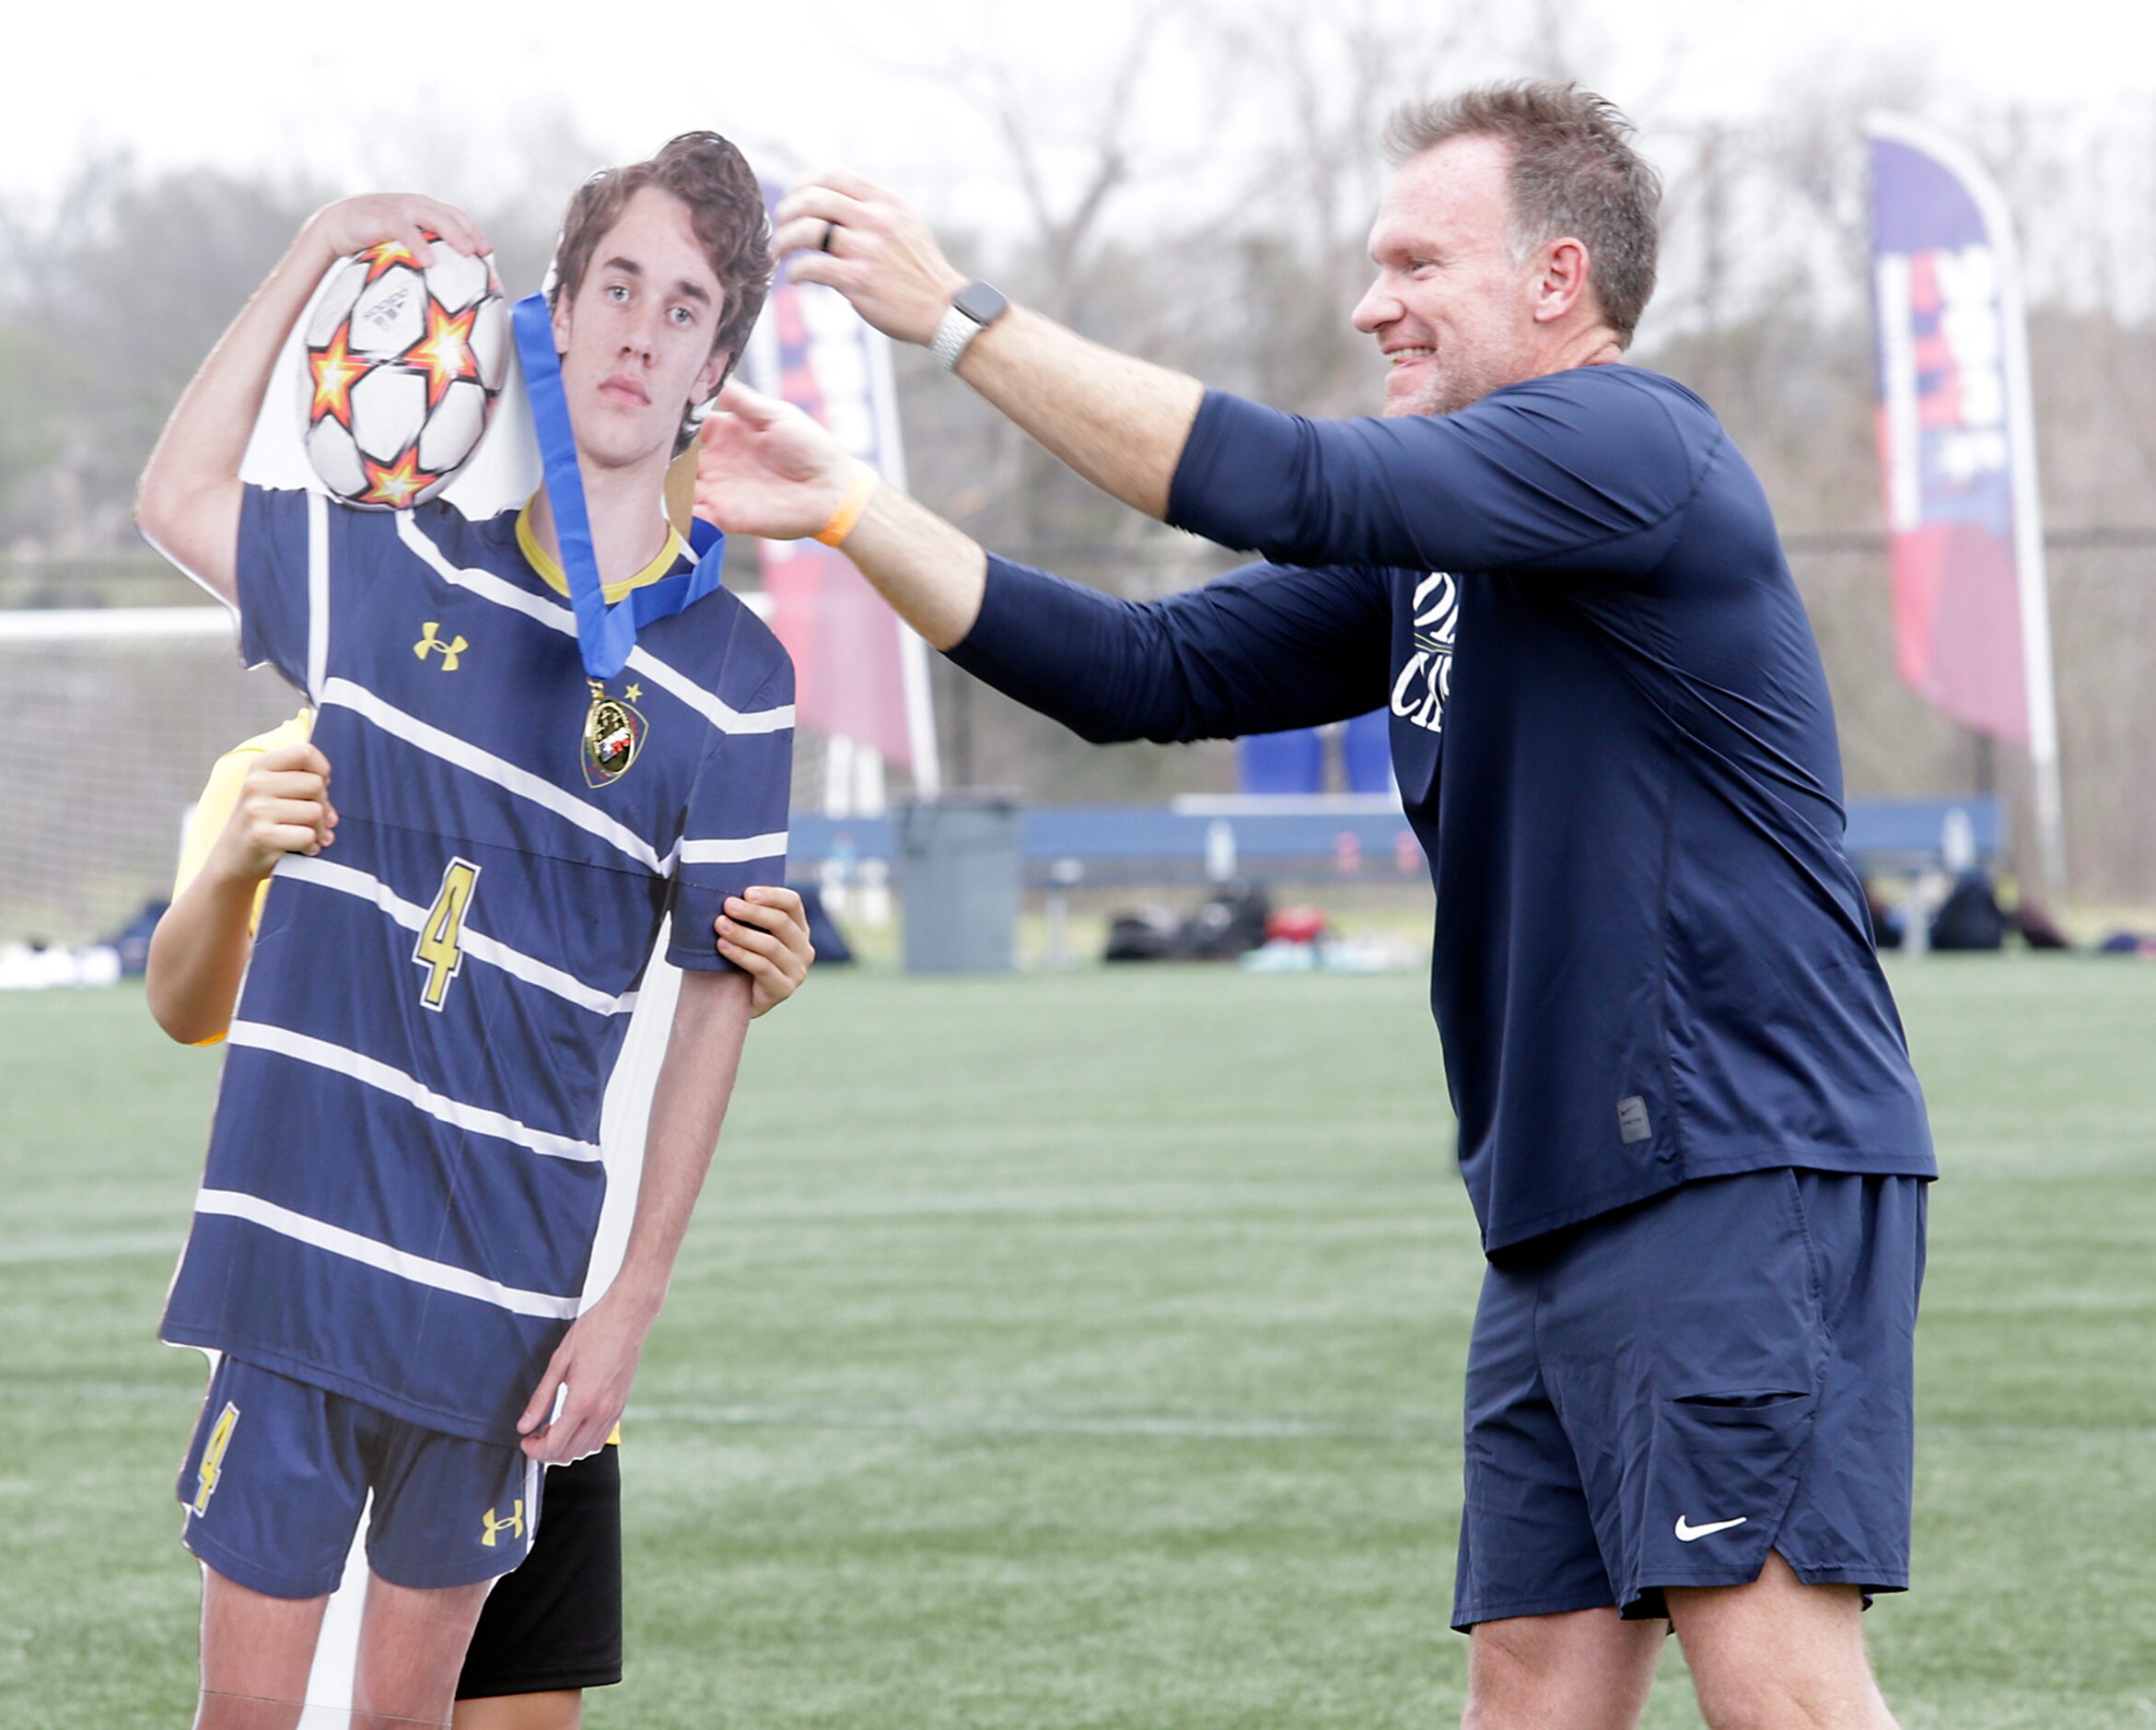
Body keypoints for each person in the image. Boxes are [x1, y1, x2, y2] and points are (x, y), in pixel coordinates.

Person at [695, 83, 1934, 1730]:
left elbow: (1277, 479)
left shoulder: (1635, 446)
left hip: (1730, 1161)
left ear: (1558, 281)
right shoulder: (1446, 541)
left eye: (1420, 261)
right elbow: (1139, 670)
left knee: (1778, 1690)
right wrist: (853, 504)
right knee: (1529, 1697)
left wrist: (964, 322)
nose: (1371, 304)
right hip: (1563, 1199)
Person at [134, 130, 792, 1726]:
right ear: (552, 319)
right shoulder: (386, 566)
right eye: (616, 285)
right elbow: (174, 492)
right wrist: (312, 251)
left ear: (713, 367)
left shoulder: (736, 682)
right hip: (296, 1267)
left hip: (503, 1310)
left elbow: (718, 1000)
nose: (641, 328)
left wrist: (628, 1302)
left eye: (685, 307)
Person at [146, 712, 817, 1729]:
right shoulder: (277, 765)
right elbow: (188, 1007)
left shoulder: (636, 770)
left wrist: (739, 978)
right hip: (323, 1343)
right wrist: (235, 863)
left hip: (539, 1368)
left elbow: (644, 1016)